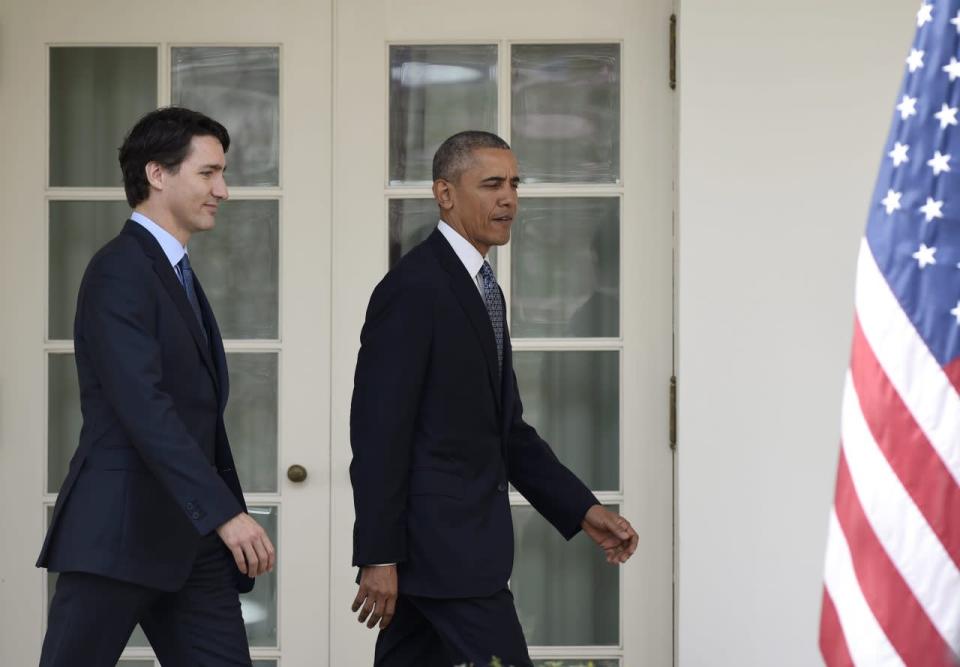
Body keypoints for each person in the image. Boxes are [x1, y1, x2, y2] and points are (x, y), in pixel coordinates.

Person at [349, 130, 639, 667]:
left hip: (457, 552)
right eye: (490, 184)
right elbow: (377, 433)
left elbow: (506, 429)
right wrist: (378, 553)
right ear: (445, 193)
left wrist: (582, 509)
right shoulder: (414, 289)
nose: (508, 198)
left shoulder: (483, 286)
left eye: (513, 183)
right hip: (443, 552)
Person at [37, 107, 275, 667]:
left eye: (223, 173)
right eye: (208, 173)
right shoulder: (119, 269)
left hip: (191, 540)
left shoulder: (172, 271)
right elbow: (144, 407)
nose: (224, 189)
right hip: (119, 531)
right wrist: (224, 512)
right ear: (158, 174)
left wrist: (211, 514)